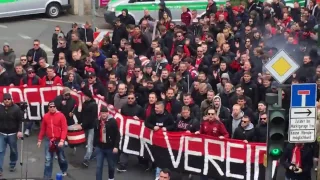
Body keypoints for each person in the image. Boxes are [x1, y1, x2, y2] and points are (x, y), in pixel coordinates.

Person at [37, 101, 68, 180]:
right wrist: (40, 140)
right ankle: (47, 177)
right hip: (49, 140)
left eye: (54, 106)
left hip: (58, 140)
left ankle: (64, 169)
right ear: (48, 108)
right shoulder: (46, 116)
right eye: (50, 107)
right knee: (48, 159)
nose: (52, 108)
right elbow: (43, 129)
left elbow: (64, 129)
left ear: (56, 107)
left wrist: (62, 140)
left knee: (61, 157)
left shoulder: (61, 116)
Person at [94, 106, 120, 180]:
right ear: (100, 113)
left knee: (111, 166)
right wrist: (95, 144)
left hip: (110, 147)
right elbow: (95, 133)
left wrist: (116, 146)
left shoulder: (112, 121)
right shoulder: (97, 121)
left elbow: (117, 135)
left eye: (105, 113)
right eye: (102, 113)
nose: (104, 114)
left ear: (108, 113)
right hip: (100, 147)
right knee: (99, 166)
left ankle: (111, 178)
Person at [0, 93, 23, 176]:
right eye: (5, 99)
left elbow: (20, 121)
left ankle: (12, 164)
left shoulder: (16, 109)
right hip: (2, 133)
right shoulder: (0, 108)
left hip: (12, 134)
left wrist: (19, 131)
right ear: (3, 100)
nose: (7, 101)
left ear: (11, 99)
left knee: (13, 150)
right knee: (0, 151)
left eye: (8, 99)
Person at [79, 87, 98, 167]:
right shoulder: (86, 103)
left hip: (90, 126)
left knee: (89, 143)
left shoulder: (93, 105)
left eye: (86, 96)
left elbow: (91, 118)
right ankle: (92, 154)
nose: (84, 97)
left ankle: (87, 159)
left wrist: (82, 125)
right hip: (86, 126)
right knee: (88, 143)